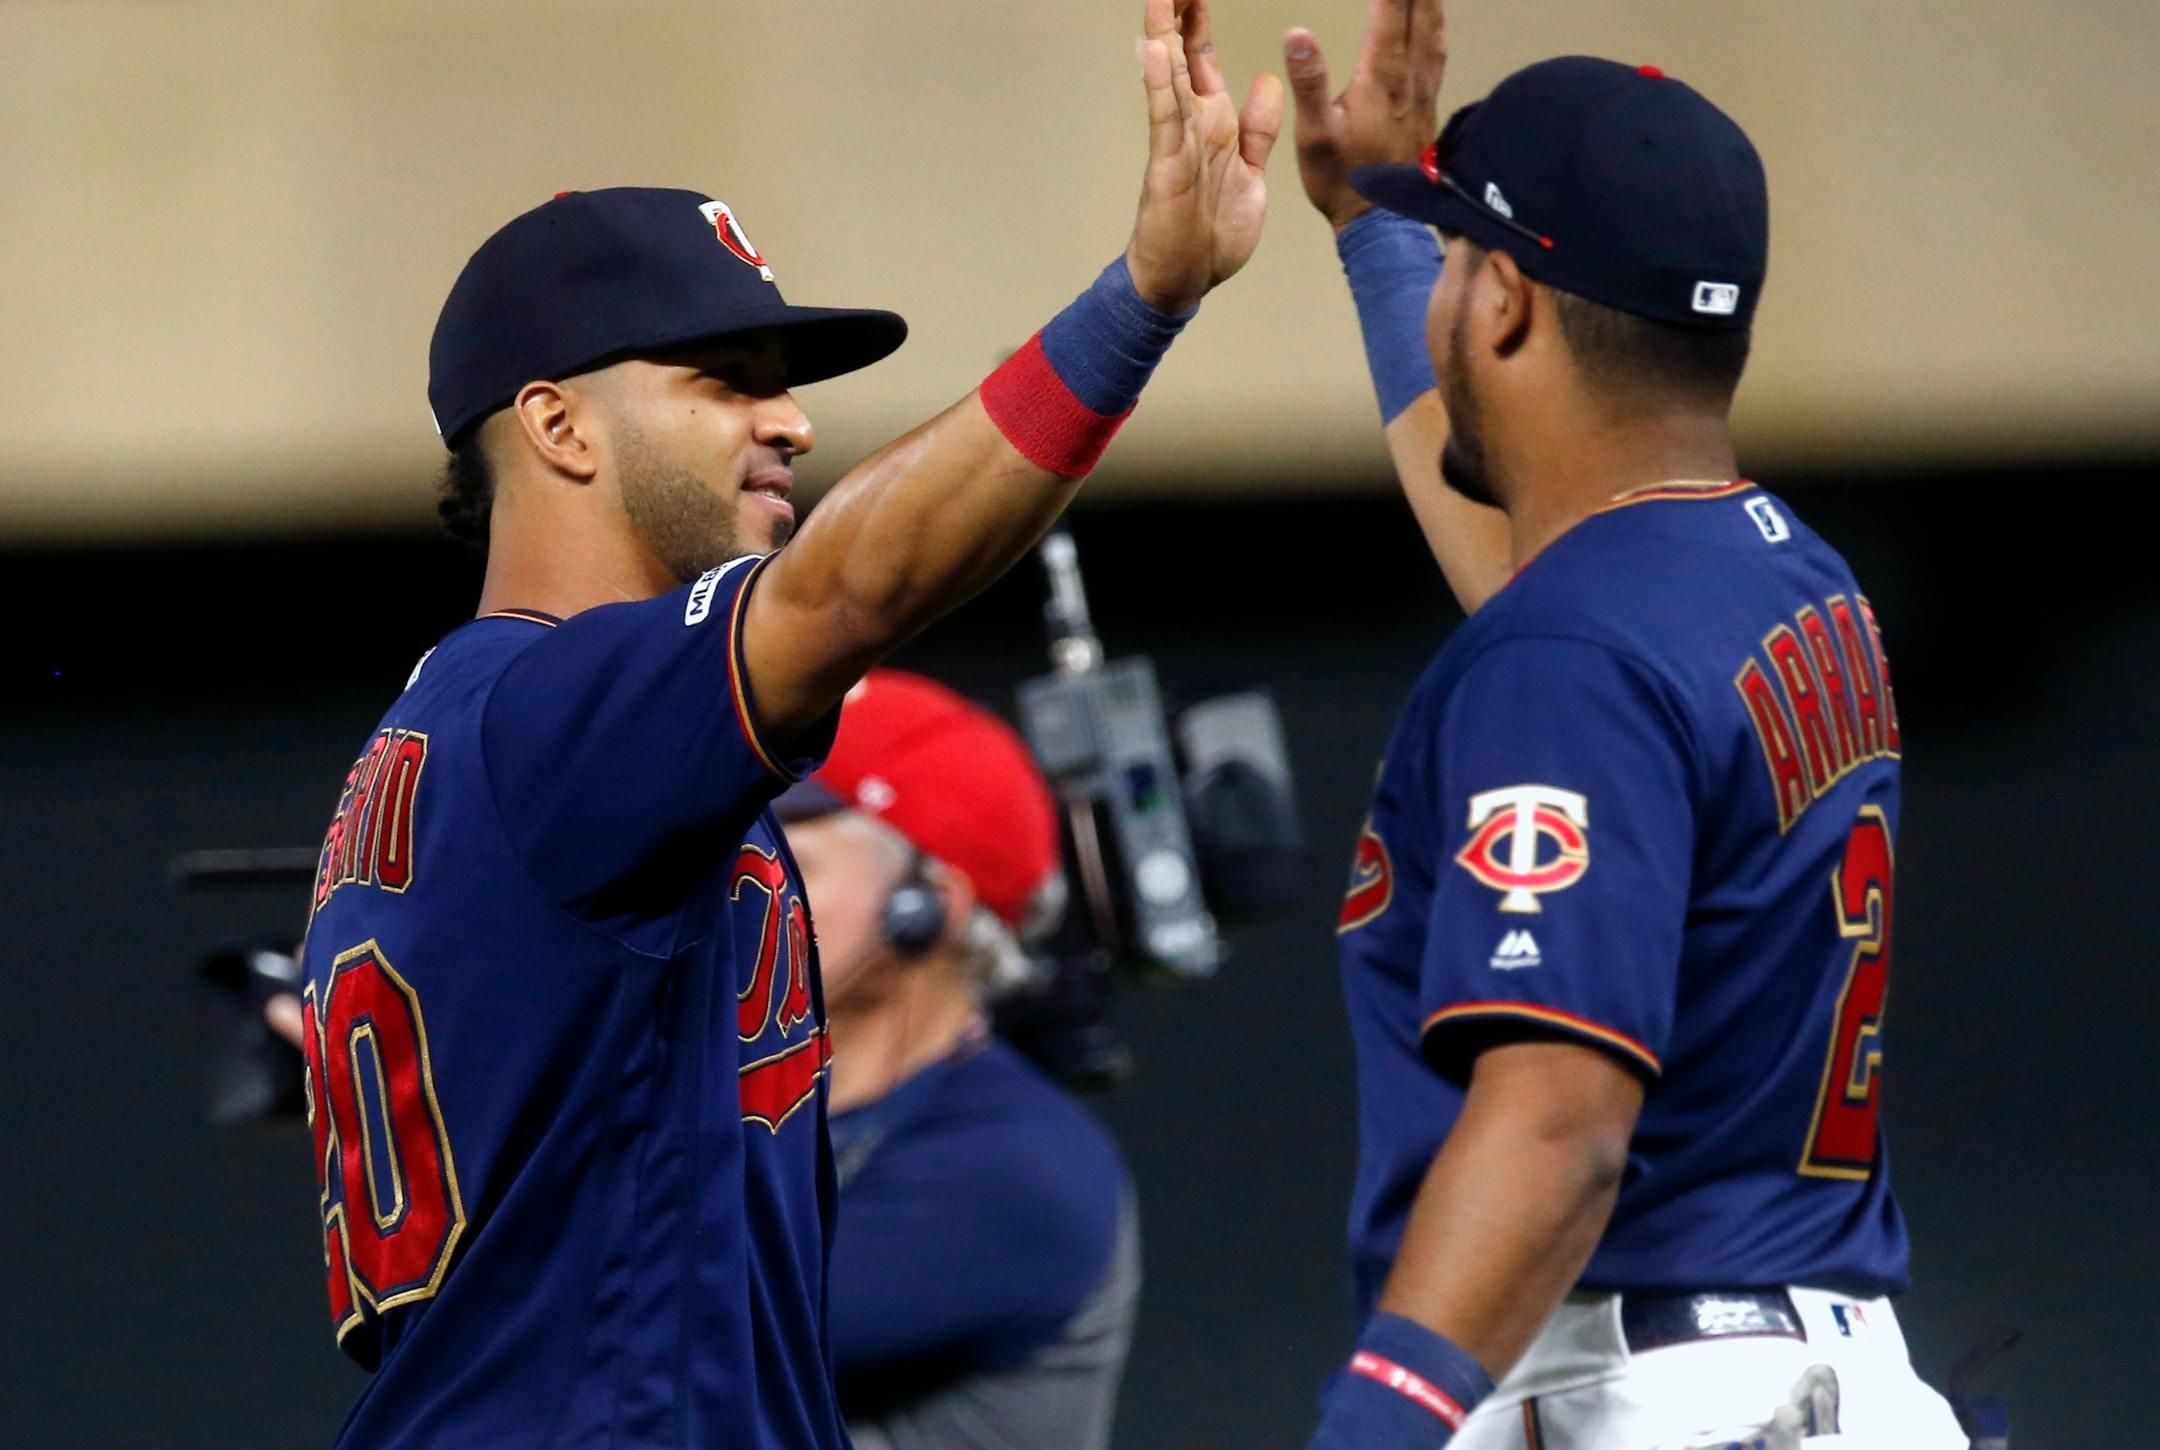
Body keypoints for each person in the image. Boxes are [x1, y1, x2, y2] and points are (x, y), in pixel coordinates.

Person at [292, 4, 1282, 1444]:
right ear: (560, 427)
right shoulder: (564, 710)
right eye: (726, 379)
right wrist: (1142, 301)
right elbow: (855, 584)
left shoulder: (467, 728)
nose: (795, 420)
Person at [1283, 3, 1967, 1445]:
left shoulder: (1571, 650)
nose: (1443, 295)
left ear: (1512, 307)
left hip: (1640, 1389)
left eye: (1459, 260)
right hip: (1826, 1372)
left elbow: (1557, 1122)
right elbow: (1535, 587)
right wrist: (1375, 229)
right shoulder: (1779, 569)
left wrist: (1382, 1417)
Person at [777, 670, 1137, 1450]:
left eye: (786, 857)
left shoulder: (1016, 1167)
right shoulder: (738, 1102)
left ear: (929, 905)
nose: (737, 888)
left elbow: (646, 1337)